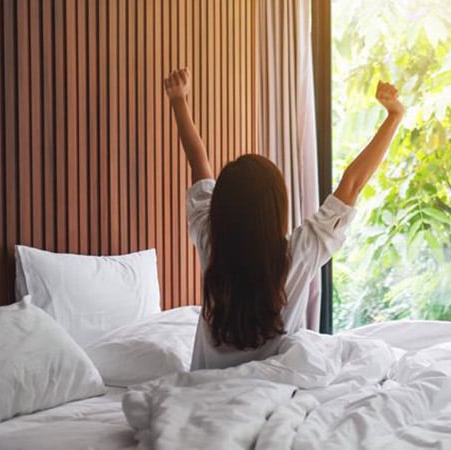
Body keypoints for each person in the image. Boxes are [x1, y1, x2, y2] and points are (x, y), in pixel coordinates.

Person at [164, 67, 405, 370]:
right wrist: (394, 117)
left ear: (222, 207)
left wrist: (178, 101)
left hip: (204, 391)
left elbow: (198, 163)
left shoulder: (211, 241)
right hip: (271, 392)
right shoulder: (299, 253)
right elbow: (353, 183)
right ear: (278, 208)